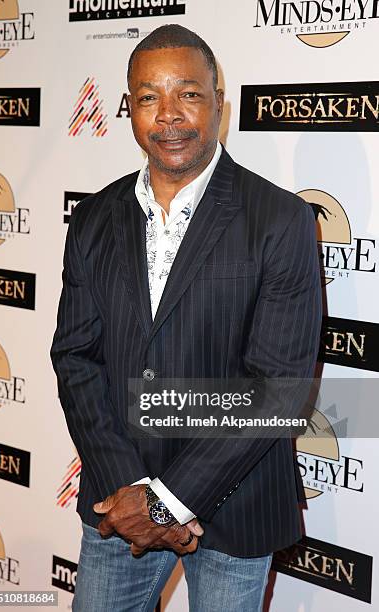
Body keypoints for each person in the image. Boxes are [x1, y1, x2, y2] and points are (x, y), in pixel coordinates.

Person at [51, 24, 322, 612]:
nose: (168, 115)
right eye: (149, 97)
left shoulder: (280, 218)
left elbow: (277, 387)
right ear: (130, 110)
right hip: (117, 505)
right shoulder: (94, 217)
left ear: (220, 105)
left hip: (237, 502)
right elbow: (75, 357)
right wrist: (133, 497)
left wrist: (167, 502)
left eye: (188, 94)